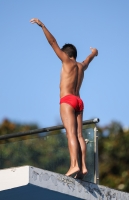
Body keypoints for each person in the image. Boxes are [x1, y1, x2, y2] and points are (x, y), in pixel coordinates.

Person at [30, 18, 98, 178]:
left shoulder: (66, 61)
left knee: (71, 134)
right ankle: (83, 167)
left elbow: (52, 42)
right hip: (79, 102)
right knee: (80, 135)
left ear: (67, 54)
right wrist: (94, 52)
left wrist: (43, 26)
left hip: (67, 100)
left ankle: (74, 165)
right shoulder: (81, 66)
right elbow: (89, 59)